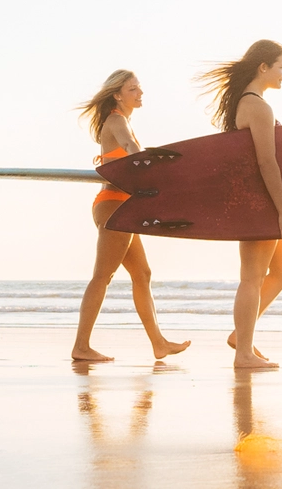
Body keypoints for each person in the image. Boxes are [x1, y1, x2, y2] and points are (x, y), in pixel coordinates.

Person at [71, 70, 192, 362]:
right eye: (133, 89)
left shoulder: (118, 120)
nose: (140, 93)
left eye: (139, 88)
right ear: (117, 95)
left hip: (121, 204)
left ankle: (159, 343)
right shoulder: (116, 120)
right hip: (113, 204)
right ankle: (81, 347)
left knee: (142, 274)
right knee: (103, 276)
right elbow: (129, 147)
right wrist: (144, 161)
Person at [198, 41, 282, 369]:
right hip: (259, 203)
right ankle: (243, 354)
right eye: (281, 66)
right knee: (252, 278)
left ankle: (241, 337)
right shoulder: (257, 106)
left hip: (255, 200)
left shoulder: (250, 104)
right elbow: (267, 163)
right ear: (263, 67)